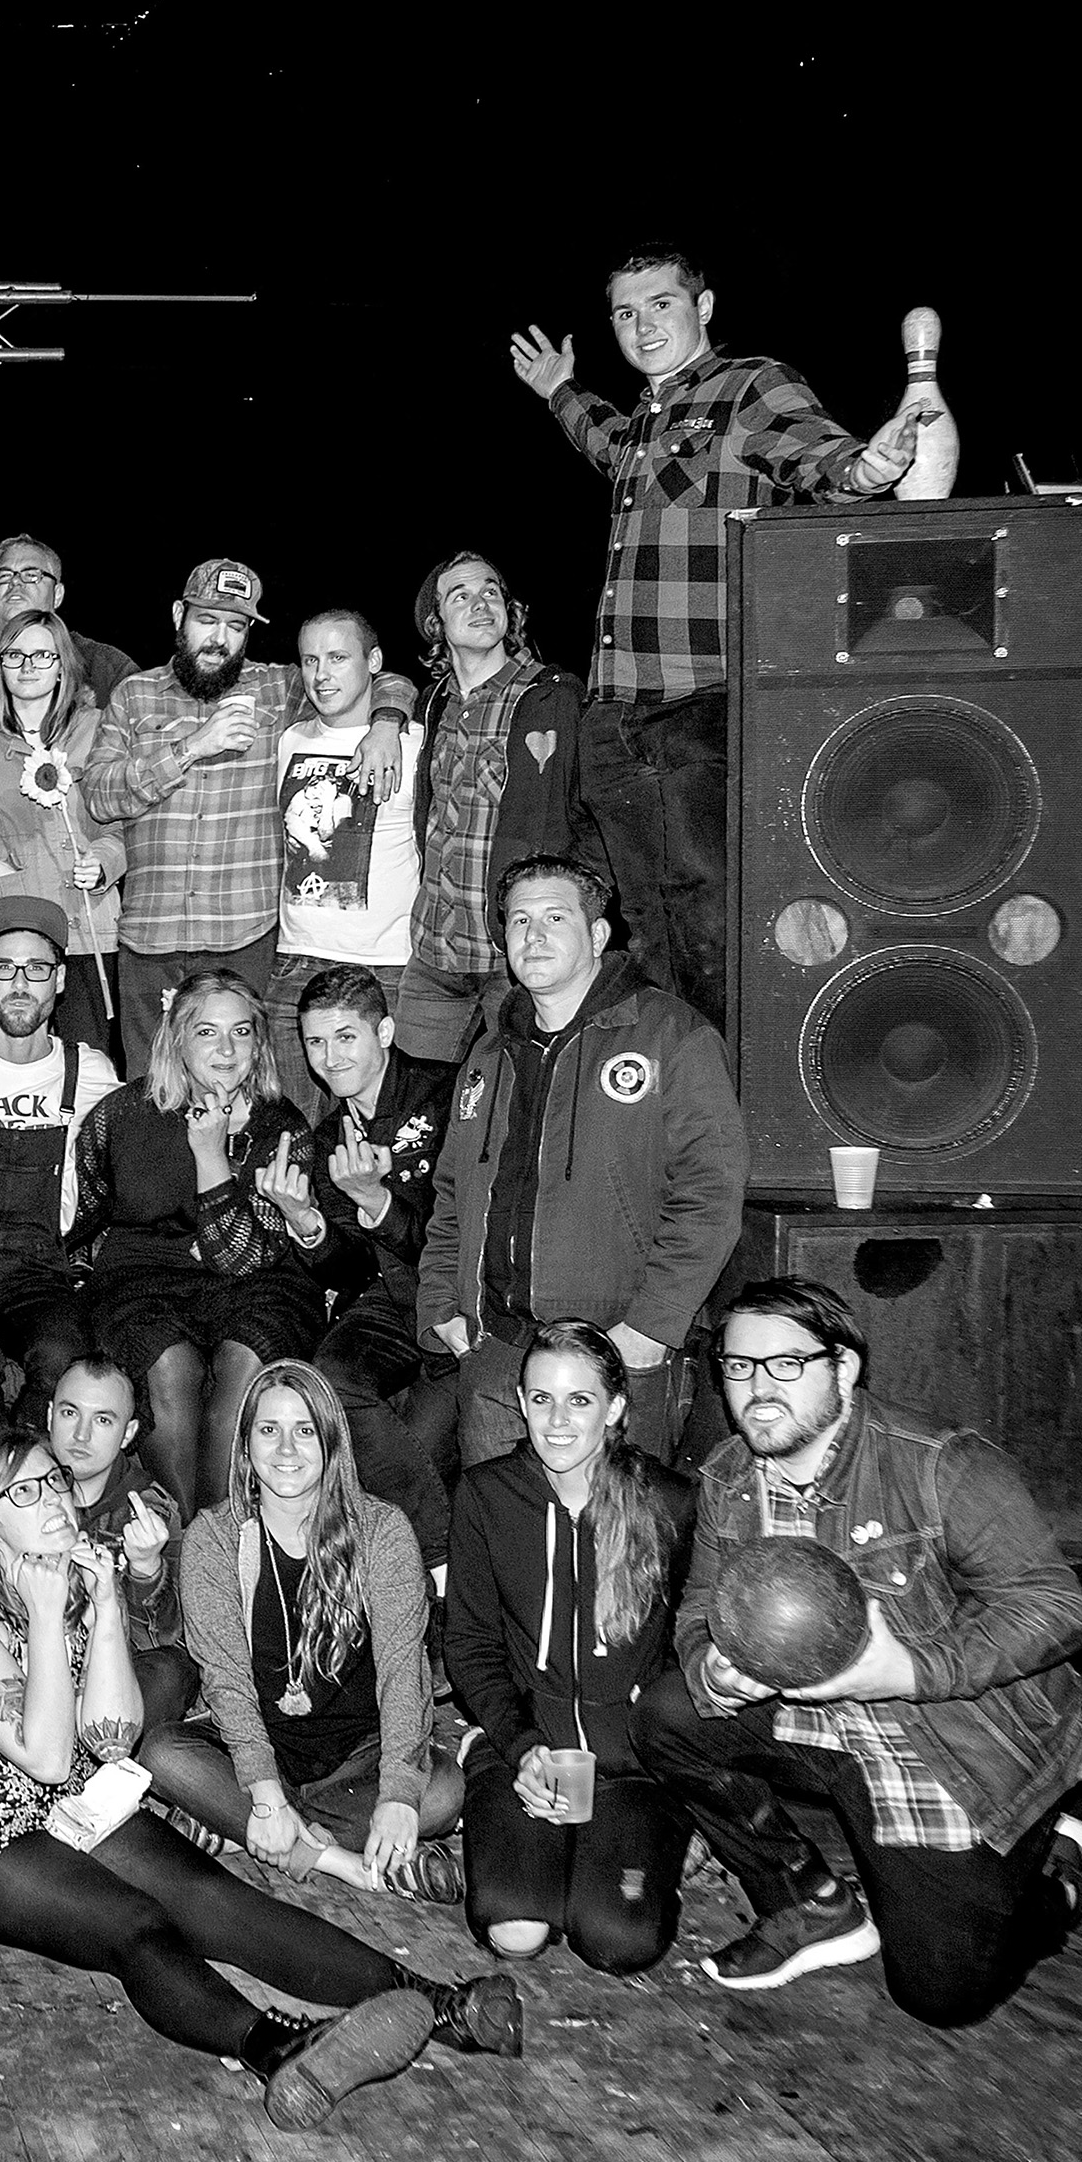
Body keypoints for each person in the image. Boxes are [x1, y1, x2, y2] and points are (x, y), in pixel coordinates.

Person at [0, 1432, 517, 2130]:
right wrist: (48, 1620)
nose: (50, 1500)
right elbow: (44, 1755)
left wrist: (106, 1607)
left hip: (74, 1805)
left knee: (215, 1899)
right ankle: (284, 2049)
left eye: (54, 1482)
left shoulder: (66, 1574)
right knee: (136, 1925)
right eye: (23, 1492)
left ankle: (434, 2002)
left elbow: (109, 1737)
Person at [635, 1279, 1082, 2022]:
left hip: (955, 1734)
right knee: (670, 1714)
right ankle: (812, 1903)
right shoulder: (729, 1477)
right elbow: (701, 1610)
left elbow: (1057, 1608)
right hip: (824, 1717)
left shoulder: (939, 1465)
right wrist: (714, 1669)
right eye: (738, 1367)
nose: (758, 1388)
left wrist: (913, 1670)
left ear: (844, 1368)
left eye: (786, 1364)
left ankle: (1054, 1873)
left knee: (942, 1995)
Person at [512, 244, 924, 1024]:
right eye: (626, 314)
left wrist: (869, 469)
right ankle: (673, 1096)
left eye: (660, 304)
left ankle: (735, 1105)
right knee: (643, 925)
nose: (642, 325)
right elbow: (603, 440)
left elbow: (818, 454)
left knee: (709, 922)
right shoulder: (642, 422)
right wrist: (560, 389)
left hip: (695, 703)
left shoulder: (748, 386)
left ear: (702, 309)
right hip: (615, 714)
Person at [420, 855, 746, 1466]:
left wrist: (654, 1326)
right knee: (508, 1547)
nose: (533, 935)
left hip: (618, 1355)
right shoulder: (487, 1055)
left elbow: (712, 1192)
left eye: (554, 917)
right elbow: (451, 1194)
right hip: (497, 1357)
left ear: (597, 935)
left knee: (621, 1550)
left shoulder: (670, 1036)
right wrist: (442, 1305)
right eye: (519, 920)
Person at [137, 1365, 468, 1901]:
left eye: (306, 1430)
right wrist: (265, 1793)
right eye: (269, 1430)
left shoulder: (382, 1532)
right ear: (244, 1445)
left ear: (332, 1441)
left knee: (442, 1793)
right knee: (163, 1753)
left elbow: (405, 1674)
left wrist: (399, 1794)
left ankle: (238, 1831)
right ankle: (339, 1859)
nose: (286, 1447)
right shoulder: (213, 1540)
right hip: (254, 1748)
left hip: (358, 1752)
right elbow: (224, 1682)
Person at [82, 558, 413, 1081]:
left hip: (245, 940)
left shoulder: (279, 690)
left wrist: (386, 724)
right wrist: (192, 747)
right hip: (149, 941)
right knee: (153, 1091)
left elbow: (376, 676)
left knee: (248, 1093)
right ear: (177, 616)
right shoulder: (133, 695)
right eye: (207, 620)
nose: (219, 638)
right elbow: (99, 797)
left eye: (236, 626)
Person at [448, 1319, 697, 1976]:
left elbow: (690, 1648)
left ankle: (648, 1842)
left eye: (579, 1400)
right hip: (528, 1749)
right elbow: (470, 1646)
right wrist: (522, 1747)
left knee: (618, 1941)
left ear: (614, 1407)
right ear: (521, 1402)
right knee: (515, 1932)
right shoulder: (486, 1496)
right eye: (540, 1399)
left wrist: (661, 1746)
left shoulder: (668, 1503)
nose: (557, 1421)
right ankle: (540, 1852)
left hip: (633, 1765)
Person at [68, 967, 324, 1514]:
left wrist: (210, 1154)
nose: (226, 1049)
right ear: (177, 1039)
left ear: (259, 1045)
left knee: (246, 1362)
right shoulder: (120, 1115)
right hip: (144, 1279)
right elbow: (87, 1218)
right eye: (207, 1032)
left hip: (259, 1283)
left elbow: (239, 1258)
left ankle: (221, 1536)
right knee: (168, 1365)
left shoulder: (284, 1129)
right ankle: (185, 1537)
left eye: (241, 1032)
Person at [283, 967, 461, 1574]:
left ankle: (432, 1583)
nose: (329, 1059)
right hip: (389, 1303)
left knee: (408, 1461)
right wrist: (308, 1222)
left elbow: (454, 1233)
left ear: (384, 1030)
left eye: (344, 1038)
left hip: (458, 1301)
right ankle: (438, 1566)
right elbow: (352, 1270)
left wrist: (378, 1201)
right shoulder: (329, 1133)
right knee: (327, 1379)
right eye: (314, 1043)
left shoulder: (447, 1095)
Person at [0, 896, 123, 1442]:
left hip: (41, 1269)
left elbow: (126, 1170)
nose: (19, 984)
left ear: (59, 980)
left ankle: (25, 1489)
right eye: (3, 968)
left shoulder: (87, 1072)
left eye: (36, 969)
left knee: (65, 1361)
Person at [398, 552, 587, 1065]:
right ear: (436, 623)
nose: (480, 604)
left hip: (514, 957)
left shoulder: (551, 697)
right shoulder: (432, 703)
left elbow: (586, 818)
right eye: (460, 595)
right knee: (411, 1109)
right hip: (433, 954)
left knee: (521, 1109)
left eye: (490, 592)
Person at [264, 611, 425, 1115]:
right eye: (310, 660)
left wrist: (388, 720)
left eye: (338, 658)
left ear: (373, 661)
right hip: (295, 962)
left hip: (386, 968)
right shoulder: (289, 740)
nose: (322, 674)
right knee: (295, 1131)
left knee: (382, 1130)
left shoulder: (417, 744)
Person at [0, 610, 127, 1060]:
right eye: (15, 655)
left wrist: (107, 860)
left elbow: (123, 820)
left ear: (62, 665)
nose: (28, 666)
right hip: (8, 927)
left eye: (42, 655)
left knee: (88, 1062)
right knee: (7, 1063)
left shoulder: (98, 730)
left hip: (86, 929)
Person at [45, 1354, 195, 1731]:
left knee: (171, 1671)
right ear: (49, 1416)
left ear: (128, 1434)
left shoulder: (150, 1508)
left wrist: (147, 1569)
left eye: (102, 1420)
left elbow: (161, 1641)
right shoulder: (16, 1481)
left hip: (113, 1668)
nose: (81, 1436)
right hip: (33, 1655)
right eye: (69, 1414)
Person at [0, 534, 136, 715]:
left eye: (31, 575)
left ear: (57, 594)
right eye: (4, 575)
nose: (15, 583)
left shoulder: (108, 670)